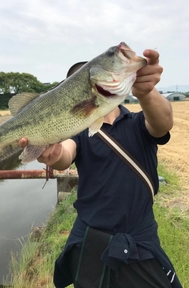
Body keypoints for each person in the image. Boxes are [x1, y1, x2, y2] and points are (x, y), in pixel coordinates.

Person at [19, 49, 182, 288]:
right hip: (89, 239)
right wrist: (52, 155)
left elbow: (163, 123)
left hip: (140, 240)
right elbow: (65, 154)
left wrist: (146, 94)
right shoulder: (78, 133)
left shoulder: (137, 122)